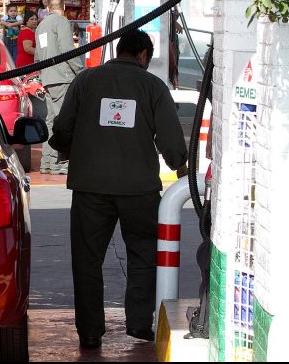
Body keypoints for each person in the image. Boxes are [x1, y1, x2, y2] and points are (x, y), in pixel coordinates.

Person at [48, 29, 188, 349]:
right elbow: (169, 138)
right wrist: (180, 166)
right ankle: (139, 324)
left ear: (119, 50)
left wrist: (64, 147)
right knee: (143, 256)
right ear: (142, 55)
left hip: (90, 188)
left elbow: (63, 127)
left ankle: (90, 331)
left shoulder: (85, 81)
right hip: (139, 191)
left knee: (87, 261)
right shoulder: (152, 86)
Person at [34, 0, 84, 175]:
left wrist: (42, 76)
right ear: (63, 7)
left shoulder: (40, 26)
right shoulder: (62, 22)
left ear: (48, 8)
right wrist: (80, 71)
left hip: (47, 77)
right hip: (62, 76)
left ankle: (46, 162)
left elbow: (38, 57)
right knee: (61, 120)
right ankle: (57, 162)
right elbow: (67, 50)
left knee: (51, 120)